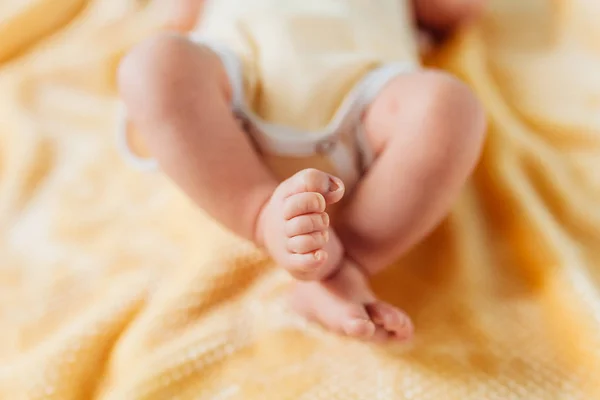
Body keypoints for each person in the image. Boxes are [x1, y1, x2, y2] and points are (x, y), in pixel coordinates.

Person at [117, 0, 487, 342]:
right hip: (232, 98)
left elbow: (455, 11)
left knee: (451, 107)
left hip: (367, 106)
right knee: (152, 63)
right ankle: (261, 214)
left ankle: (345, 265)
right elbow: (179, 18)